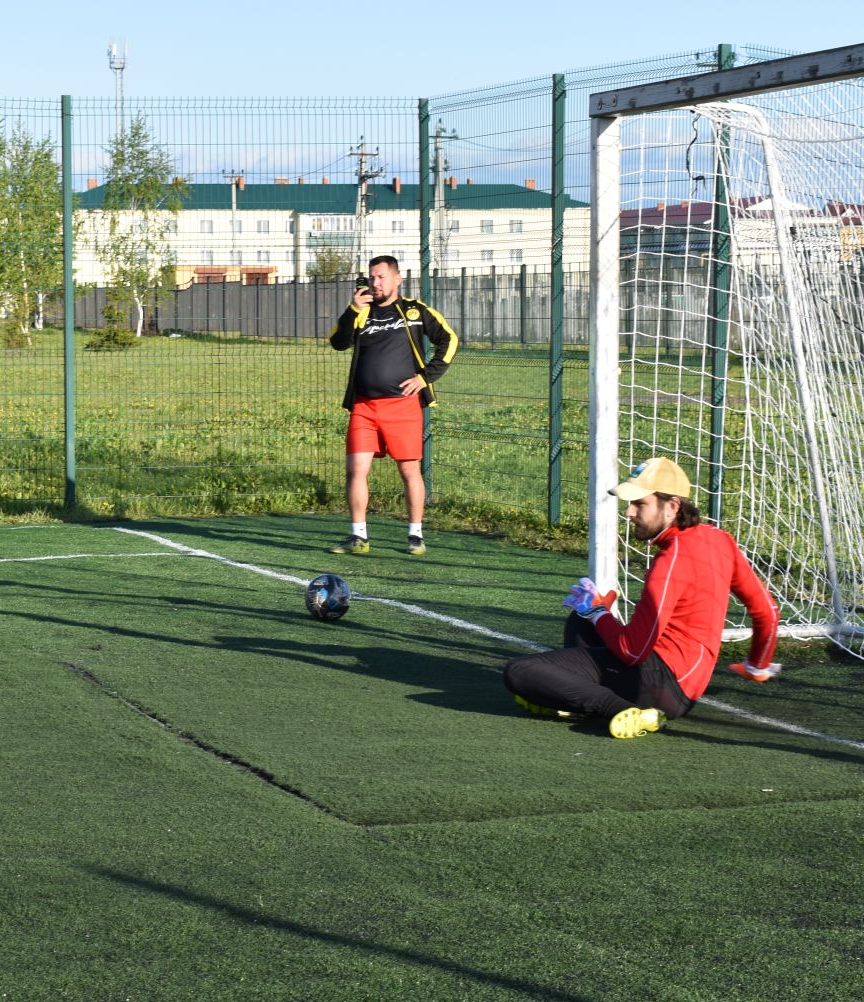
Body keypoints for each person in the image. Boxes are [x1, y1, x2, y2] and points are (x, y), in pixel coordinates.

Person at [503, 457, 782, 739]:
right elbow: (767, 611)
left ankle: (620, 709)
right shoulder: (718, 538)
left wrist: (600, 613)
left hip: (659, 683)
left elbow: (633, 650)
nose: (629, 512)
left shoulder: (670, 561)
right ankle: (568, 696)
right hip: (681, 683)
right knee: (580, 621)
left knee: (520, 671)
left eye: (640, 504)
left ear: (672, 506)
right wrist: (757, 665)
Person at [326, 254, 458, 556]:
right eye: (372, 277)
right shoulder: (361, 311)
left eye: (382, 277)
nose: (376, 282)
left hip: (402, 407)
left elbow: (449, 340)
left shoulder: (413, 311)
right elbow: (338, 342)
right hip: (364, 407)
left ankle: (415, 535)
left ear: (397, 279)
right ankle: (359, 536)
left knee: (409, 470)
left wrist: (425, 377)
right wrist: (352, 310)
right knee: (355, 470)